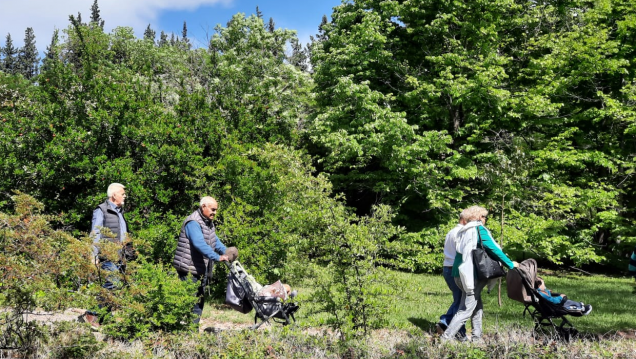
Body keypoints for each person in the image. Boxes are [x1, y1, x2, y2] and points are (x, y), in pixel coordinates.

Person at [441, 206, 518, 342]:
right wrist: (510, 264)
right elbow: (493, 248)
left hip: (459, 274)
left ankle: (477, 338)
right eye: (484, 216)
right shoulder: (478, 230)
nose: (485, 219)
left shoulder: (463, 230)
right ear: (477, 217)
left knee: (477, 306)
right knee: (465, 309)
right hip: (472, 276)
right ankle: (445, 339)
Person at [173, 197, 230, 325]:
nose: (214, 213)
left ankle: (192, 331)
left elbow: (214, 240)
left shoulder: (207, 222)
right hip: (188, 269)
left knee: (199, 301)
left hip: (199, 269)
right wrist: (217, 257)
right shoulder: (193, 222)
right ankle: (181, 331)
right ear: (203, 206)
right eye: (212, 209)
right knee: (188, 301)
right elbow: (199, 243)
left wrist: (226, 252)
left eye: (216, 210)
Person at [83, 183, 129, 328]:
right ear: (114, 195)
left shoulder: (119, 211)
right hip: (107, 254)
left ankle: (103, 318)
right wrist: (93, 255)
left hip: (119, 256)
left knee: (112, 287)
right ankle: (92, 314)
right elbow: (95, 233)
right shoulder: (101, 210)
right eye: (122, 193)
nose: (124, 196)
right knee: (111, 284)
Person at [436, 210, 468, 338]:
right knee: (462, 304)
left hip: (447, 268)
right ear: (464, 220)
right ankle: (459, 333)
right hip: (455, 270)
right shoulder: (461, 233)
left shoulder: (451, 231)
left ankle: (445, 322)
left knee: (459, 300)